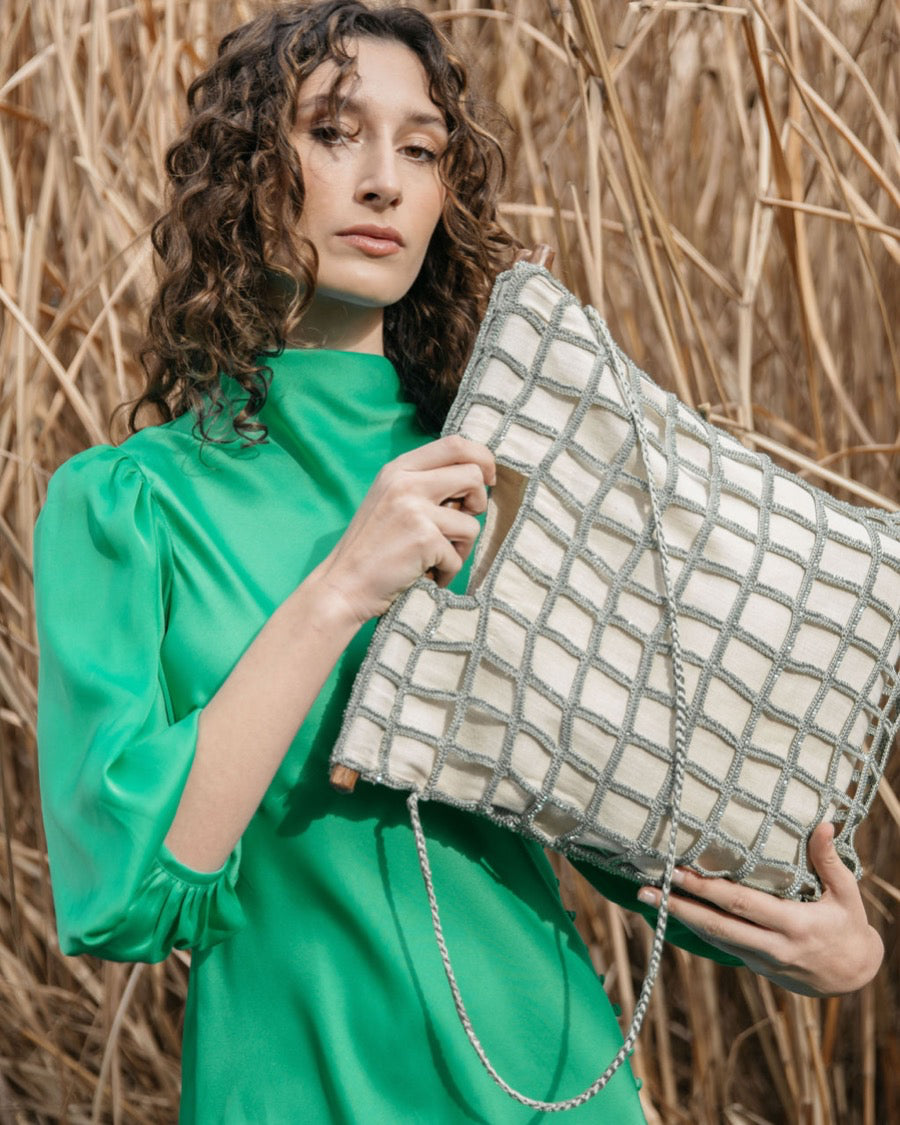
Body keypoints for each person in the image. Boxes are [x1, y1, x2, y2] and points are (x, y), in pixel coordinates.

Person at [34, 2, 883, 1122]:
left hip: (544, 1080)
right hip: (289, 1091)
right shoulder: (124, 504)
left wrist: (839, 950)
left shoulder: (512, 474)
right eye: (335, 132)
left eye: (422, 147)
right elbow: (127, 896)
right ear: (245, 170)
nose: (383, 180)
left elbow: (655, 822)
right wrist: (342, 587)